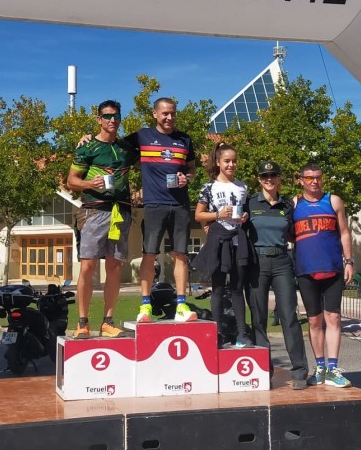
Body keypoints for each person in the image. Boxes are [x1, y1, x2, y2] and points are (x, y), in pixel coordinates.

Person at [66, 100, 137, 338]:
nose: (112, 120)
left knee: (115, 266)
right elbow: (71, 181)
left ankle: (108, 321)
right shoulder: (86, 147)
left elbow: (151, 144)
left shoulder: (128, 148)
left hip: (120, 212)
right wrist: (89, 183)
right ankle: (82, 322)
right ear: (99, 119)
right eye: (107, 116)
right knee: (88, 266)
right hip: (94, 211)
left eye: (116, 116)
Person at [123, 98, 198, 324]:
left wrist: (188, 178)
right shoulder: (141, 136)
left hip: (180, 205)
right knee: (149, 254)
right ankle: (145, 306)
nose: (169, 117)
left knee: (180, 255)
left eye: (173, 113)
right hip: (154, 205)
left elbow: (192, 169)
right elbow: (111, 143)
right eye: (165, 113)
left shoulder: (185, 139)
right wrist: (86, 138)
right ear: (155, 114)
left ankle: (181, 304)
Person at [247, 159, 309, 389]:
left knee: (289, 316)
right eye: (265, 176)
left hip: (283, 262)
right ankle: (264, 371)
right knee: (259, 318)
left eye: (273, 175)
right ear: (259, 179)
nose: (269, 180)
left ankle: (300, 372)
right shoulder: (250, 202)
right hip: (257, 263)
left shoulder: (287, 205)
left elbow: (295, 233)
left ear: (279, 178)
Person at [293, 162, 353, 388]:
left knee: (334, 318)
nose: (314, 181)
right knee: (314, 320)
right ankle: (319, 367)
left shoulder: (333, 201)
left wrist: (349, 261)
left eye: (318, 177)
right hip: (306, 270)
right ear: (301, 180)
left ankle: (333, 368)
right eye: (309, 178)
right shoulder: (295, 204)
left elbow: (345, 232)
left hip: (333, 268)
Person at [192, 143, 251, 347]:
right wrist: (218, 215)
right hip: (218, 240)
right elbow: (198, 214)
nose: (231, 165)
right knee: (217, 288)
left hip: (237, 241)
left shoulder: (243, 186)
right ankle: (217, 333)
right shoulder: (209, 187)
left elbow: (245, 212)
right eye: (227, 161)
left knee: (237, 288)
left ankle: (242, 333)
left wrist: (244, 216)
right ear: (218, 162)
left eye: (234, 161)